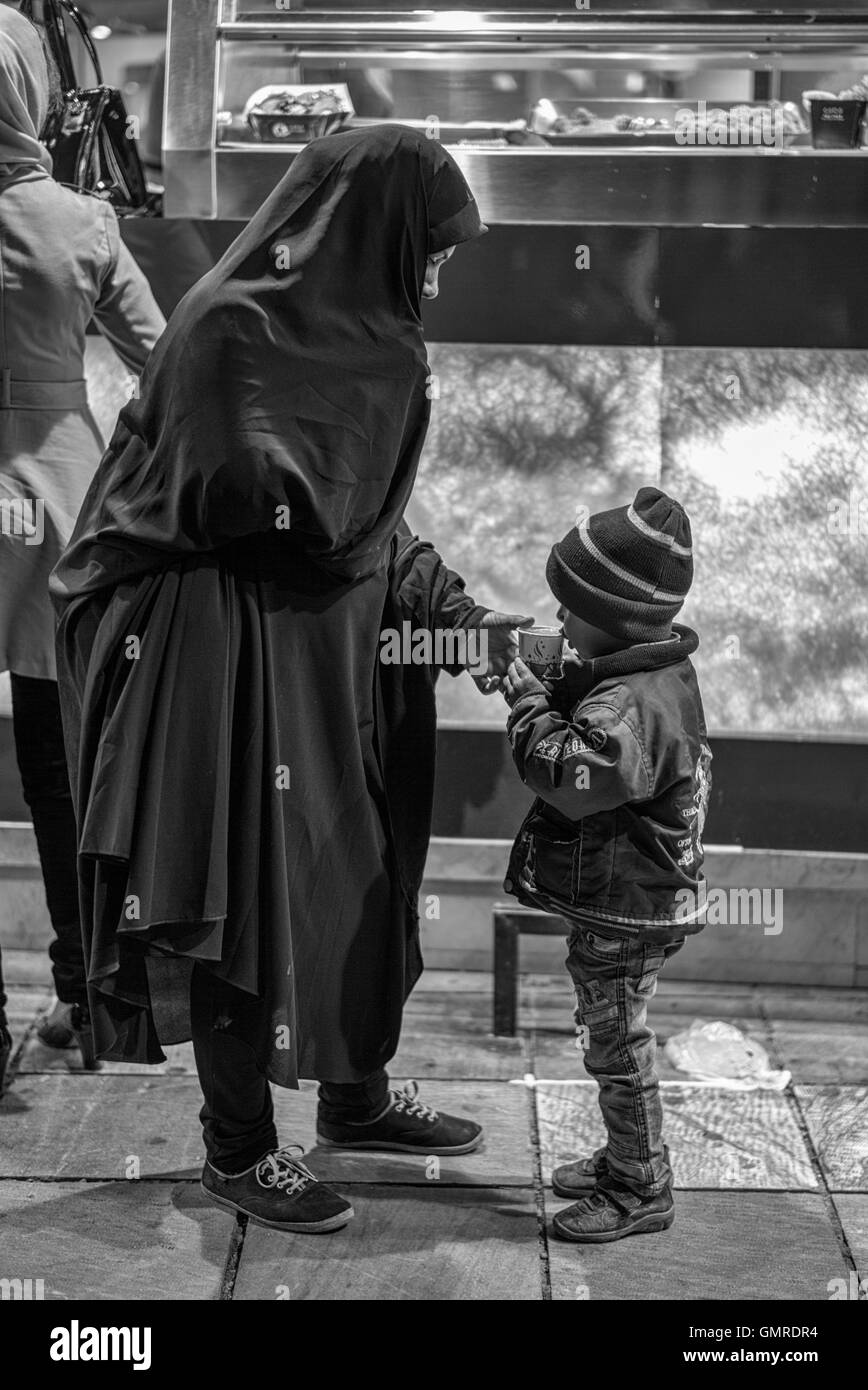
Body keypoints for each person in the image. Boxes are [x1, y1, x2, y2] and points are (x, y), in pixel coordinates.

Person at [50, 124, 529, 1233]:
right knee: (238, 886)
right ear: (368, 228)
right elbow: (238, 502)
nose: (441, 268)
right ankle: (238, 1148)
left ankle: (353, 1097)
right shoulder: (232, 329)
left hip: (324, 654)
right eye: (431, 241)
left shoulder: (383, 343)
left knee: (350, 867)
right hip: (215, 652)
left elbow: (371, 524)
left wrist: (462, 620)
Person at [0, 7, 165, 1086]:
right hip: (61, 501)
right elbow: (171, 361)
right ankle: (88, 990)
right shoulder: (78, 220)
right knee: (63, 765)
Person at [500, 487, 713, 1242]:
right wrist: (556, 686)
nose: (557, 620)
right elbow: (604, 725)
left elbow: (570, 775)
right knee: (612, 1037)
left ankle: (639, 1185)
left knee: (617, 1047)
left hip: (629, 910)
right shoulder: (646, 681)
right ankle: (630, 1154)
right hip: (633, 903)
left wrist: (529, 708)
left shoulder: (630, 705)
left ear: (614, 617)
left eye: (568, 608)